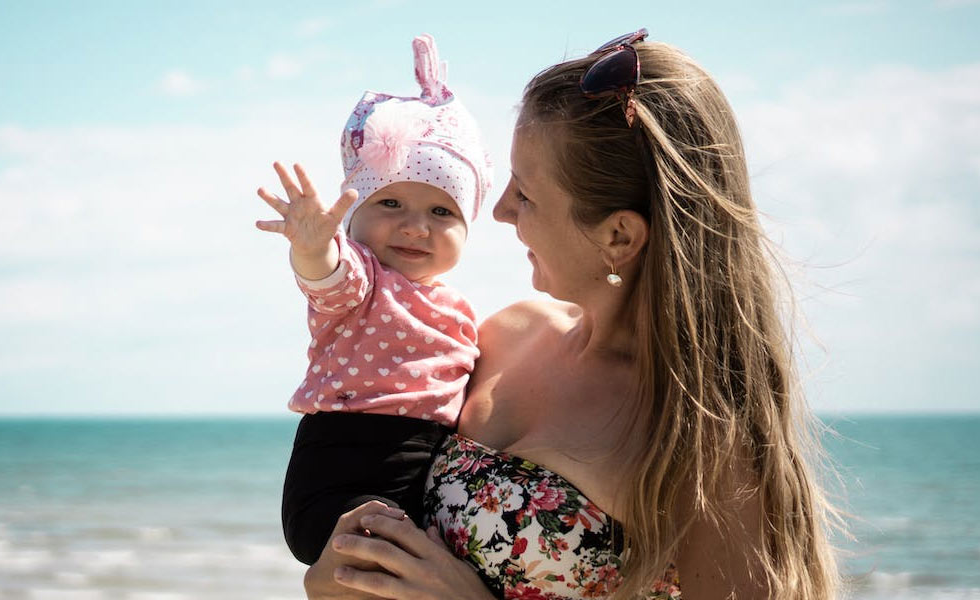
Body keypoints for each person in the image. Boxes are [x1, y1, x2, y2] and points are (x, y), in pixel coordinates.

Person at [302, 29, 841, 600]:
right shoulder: (506, 335)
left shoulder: (702, 440)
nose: (502, 210)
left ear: (619, 235)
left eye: (527, 194)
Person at [254, 34, 492, 566]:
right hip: (341, 463)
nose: (414, 226)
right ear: (355, 214)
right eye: (390, 202)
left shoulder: (460, 309)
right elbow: (329, 280)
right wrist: (315, 247)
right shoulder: (365, 277)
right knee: (374, 550)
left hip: (421, 464)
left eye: (441, 212)